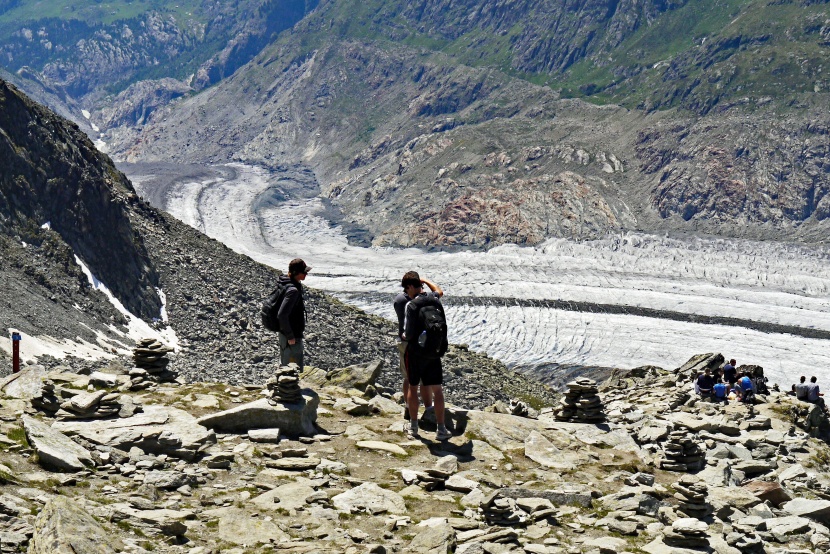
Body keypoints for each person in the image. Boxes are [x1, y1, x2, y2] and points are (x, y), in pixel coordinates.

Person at [402, 274, 452, 441]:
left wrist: (404, 336)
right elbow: (439, 290)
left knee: (413, 387)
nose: (405, 293)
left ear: (410, 287)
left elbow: (408, 334)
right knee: (437, 390)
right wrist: (425, 281)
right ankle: (441, 429)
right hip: (434, 352)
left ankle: (414, 427)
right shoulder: (434, 299)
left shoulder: (412, 305)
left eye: (406, 289)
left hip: (416, 353)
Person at [393, 271, 437, 423]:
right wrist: (426, 281)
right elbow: (439, 292)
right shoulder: (423, 299)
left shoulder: (399, 300)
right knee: (424, 380)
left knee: (409, 378)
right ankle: (429, 409)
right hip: (422, 343)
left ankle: (408, 408)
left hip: (406, 343)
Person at [276, 258, 311, 369]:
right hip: (292, 338)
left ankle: (285, 385)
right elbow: (282, 315)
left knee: (286, 366)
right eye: (304, 272)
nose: (306, 274)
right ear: (296, 273)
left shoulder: (285, 283)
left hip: (284, 335)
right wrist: (290, 336)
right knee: (293, 370)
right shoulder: (293, 291)